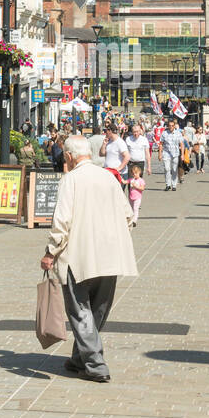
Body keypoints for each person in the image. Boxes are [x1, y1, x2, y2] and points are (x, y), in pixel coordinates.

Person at [40, 134, 138, 383]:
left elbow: (62, 221)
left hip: (79, 256)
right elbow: (128, 215)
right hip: (110, 255)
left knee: (80, 310)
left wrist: (51, 251)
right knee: (97, 310)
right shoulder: (109, 177)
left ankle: (95, 364)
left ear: (70, 156)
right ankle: (79, 358)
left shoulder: (71, 180)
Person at [160, 119, 185, 191]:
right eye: (169, 126)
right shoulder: (164, 133)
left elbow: (181, 144)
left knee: (174, 169)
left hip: (175, 153)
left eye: (172, 126)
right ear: (168, 126)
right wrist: (160, 154)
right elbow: (161, 144)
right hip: (166, 153)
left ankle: (174, 184)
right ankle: (168, 184)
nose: (171, 127)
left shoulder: (178, 133)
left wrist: (182, 154)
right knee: (167, 169)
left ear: (174, 126)